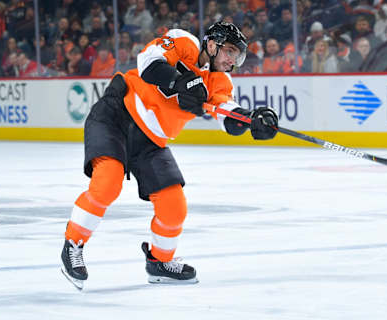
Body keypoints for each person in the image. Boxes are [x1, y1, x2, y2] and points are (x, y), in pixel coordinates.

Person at [60, 21, 278, 289]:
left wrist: (251, 120)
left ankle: (160, 262)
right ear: (211, 45)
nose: (232, 59)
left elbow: (228, 115)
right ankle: (73, 243)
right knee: (107, 183)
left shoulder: (220, 81)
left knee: (174, 207)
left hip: (151, 140)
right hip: (116, 115)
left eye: (236, 54)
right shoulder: (183, 42)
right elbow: (148, 63)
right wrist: (180, 82)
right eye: (229, 51)